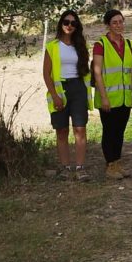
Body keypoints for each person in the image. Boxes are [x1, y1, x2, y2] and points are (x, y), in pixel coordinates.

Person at [43, 10, 93, 182]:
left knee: (80, 128)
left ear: (77, 26)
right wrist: (55, 95)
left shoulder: (81, 46)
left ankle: (80, 167)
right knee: (62, 130)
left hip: (78, 88)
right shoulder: (52, 47)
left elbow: (86, 70)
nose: (69, 26)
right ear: (60, 24)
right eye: (66, 22)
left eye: (73, 23)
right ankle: (65, 167)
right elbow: (46, 74)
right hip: (60, 89)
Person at [92, 9, 132, 180]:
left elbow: (130, 69)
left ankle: (117, 163)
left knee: (120, 131)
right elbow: (97, 73)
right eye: (115, 23)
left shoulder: (127, 44)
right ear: (108, 25)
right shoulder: (100, 44)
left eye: (121, 21)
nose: (119, 25)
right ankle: (110, 165)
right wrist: (104, 97)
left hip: (125, 97)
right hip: (108, 98)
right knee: (109, 131)